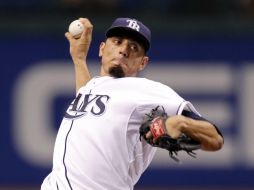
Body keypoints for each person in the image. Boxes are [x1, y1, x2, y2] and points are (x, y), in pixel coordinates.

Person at [41, 17, 224, 190]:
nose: (124, 50)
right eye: (118, 41)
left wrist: (182, 123)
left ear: (143, 63)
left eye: (134, 47)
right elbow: (85, 99)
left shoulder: (146, 90)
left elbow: (215, 138)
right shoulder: (93, 87)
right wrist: (79, 59)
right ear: (102, 49)